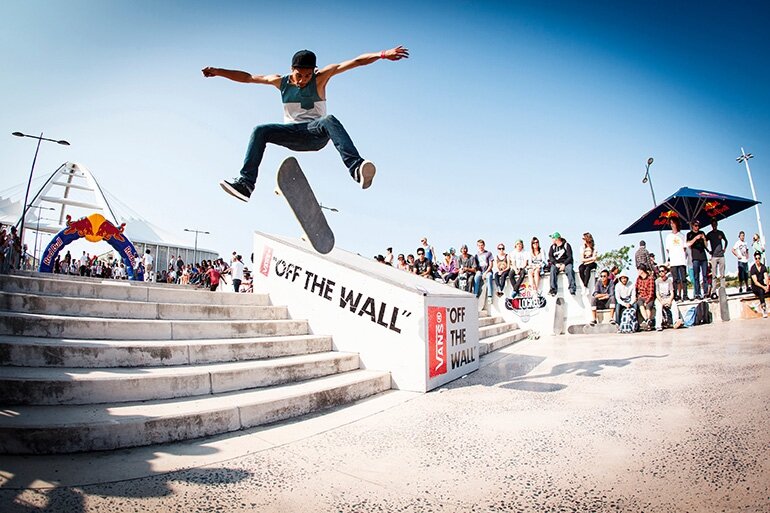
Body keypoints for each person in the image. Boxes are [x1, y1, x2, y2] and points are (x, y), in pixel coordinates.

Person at [203, 46, 409, 201]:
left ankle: (356, 167)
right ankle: (246, 185)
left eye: (307, 75)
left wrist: (382, 55)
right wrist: (219, 71)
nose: (303, 80)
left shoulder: (321, 78)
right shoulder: (279, 81)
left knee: (328, 120)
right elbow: (248, 78)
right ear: (291, 70)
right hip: (292, 134)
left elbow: (355, 61)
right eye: (299, 75)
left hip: (315, 134)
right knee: (260, 130)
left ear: (314, 71)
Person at [665, 218, 688, 301]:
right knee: (675, 279)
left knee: (683, 279)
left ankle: (685, 295)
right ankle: (676, 295)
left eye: (673, 223)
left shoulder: (682, 235)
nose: (672, 225)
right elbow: (667, 249)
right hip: (673, 261)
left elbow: (684, 248)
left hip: (681, 260)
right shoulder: (668, 236)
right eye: (670, 223)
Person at [655, 265, 684, 330]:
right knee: (659, 307)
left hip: (668, 298)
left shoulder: (669, 281)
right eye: (659, 271)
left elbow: (672, 292)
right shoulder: (657, 281)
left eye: (662, 271)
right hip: (660, 298)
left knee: (674, 306)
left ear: (665, 271)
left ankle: (675, 322)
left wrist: (670, 300)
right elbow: (657, 293)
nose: (661, 273)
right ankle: (658, 325)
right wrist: (661, 301)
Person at [547, 232, 576, 296]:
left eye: (553, 238)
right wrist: (555, 263)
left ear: (557, 239)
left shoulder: (566, 245)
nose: (552, 240)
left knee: (570, 269)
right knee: (552, 269)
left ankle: (572, 288)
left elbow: (570, 257)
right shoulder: (552, 247)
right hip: (557, 263)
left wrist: (564, 264)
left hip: (566, 263)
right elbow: (550, 257)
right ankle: (553, 289)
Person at [686, 220, 708, 299]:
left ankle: (705, 292)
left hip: (703, 256)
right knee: (696, 276)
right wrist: (695, 238)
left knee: (705, 275)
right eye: (695, 225)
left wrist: (704, 239)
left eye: (698, 226)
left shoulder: (702, 232)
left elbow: (706, 245)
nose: (697, 227)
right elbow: (688, 244)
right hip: (695, 257)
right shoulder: (689, 234)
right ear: (692, 226)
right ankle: (697, 293)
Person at [705, 220, 727, 297]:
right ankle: (714, 291)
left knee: (722, 274)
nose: (714, 225)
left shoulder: (720, 232)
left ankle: (723, 289)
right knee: (714, 275)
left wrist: (724, 249)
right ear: (711, 225)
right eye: (713, 224)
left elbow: (726, 241)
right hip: (714, 256)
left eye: (715, 224)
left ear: (717, 224)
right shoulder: (709, 234)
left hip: (721, 255)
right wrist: (708, 251)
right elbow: (704, 242)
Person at [750, 251, 769, 318]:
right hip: (756, 287)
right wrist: (764, 288)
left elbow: (766, 277)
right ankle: (764, 309)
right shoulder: (753, 268)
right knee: (761, 290)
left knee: (765, 288)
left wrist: (767, 286)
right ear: (754, 258)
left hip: (762, 284)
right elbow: (755, 282)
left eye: (759, 258)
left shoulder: (763, 267)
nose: (757, 260)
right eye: (756, 258)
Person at [635, 265, 655, 330]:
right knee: (640, 303)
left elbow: (651, 292)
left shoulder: (650, 278)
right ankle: (647, 320)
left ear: (642, 270)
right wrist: (637, 296)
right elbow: (636, 288)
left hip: (649, 297)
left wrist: (647, 301)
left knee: (648, 306)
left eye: (638, 270)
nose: (637, 271)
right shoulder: (638, 278)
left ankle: (647, 322)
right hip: (641, 296)